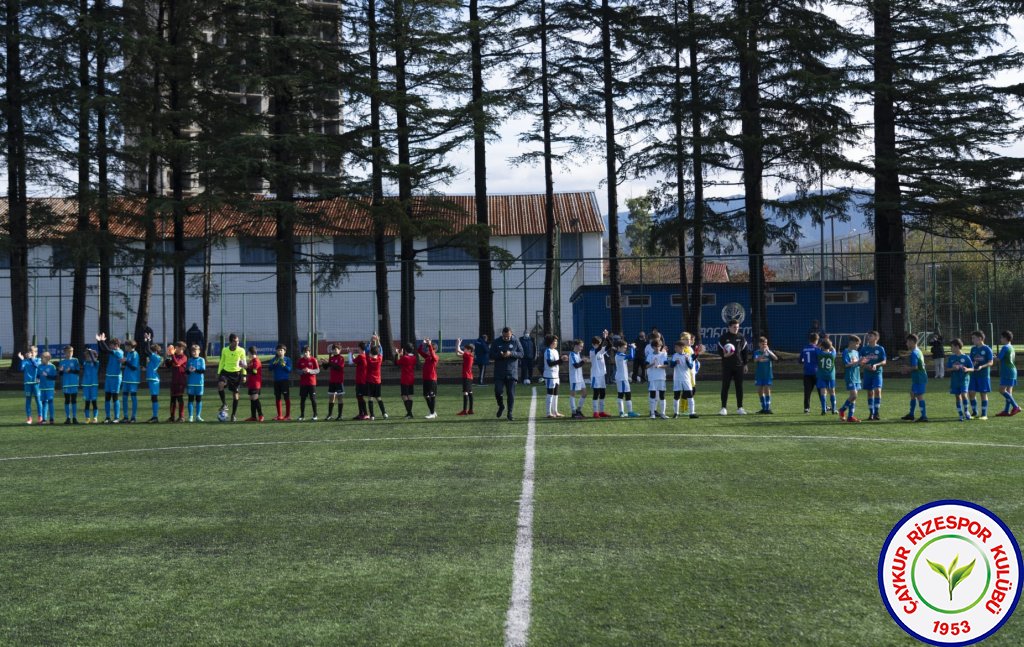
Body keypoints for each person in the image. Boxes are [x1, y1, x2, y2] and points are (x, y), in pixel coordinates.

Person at [490, 327, 524, 421]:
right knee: (498, 391)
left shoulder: (515, 341)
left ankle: (510, 413)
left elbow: (521, 354)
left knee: (511, 394)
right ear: (502, 334)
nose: (506, 338)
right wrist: (500, 355)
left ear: (511, 334)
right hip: (499, 373)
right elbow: (491, 355)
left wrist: (511, 353)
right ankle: (501, 406)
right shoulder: (496, 342)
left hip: (512, 372)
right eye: (504, 337)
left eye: (508, 336)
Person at [718, 319, 749, 416]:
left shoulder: (741, 337)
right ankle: (723, 408)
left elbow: (745, 352)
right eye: (734, 327)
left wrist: (745, 364)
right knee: (725, 387)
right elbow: (719, 350)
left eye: (737, 327)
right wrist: (724, 355)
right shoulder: (723, 338)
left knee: (739, 387)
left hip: (739, 366)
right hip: (727, 366)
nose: (736, 329)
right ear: (729, 327)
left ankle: (740, 407)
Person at [218, 333, 247, 422]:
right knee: (220, 384)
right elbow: (222, 361)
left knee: (236, 396)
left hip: (236, 374)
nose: (237, 343)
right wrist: (219, 373)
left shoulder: (241, 350)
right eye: (235, 341)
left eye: (238, 341)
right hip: (225, 372)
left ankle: (233, 415)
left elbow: (244, 362)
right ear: (230, 342)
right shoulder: (225, 350)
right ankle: (224, 404)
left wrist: (244, 375)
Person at [96, 333, 124, 423]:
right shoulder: (112, 351)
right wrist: (99, 342)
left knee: (115, 397)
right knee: (107, 397)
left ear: (116, 345)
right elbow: (103, 350)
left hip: (116, 377)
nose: (110, 346)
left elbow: (107, 350)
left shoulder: (119, 352)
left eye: (111, 345)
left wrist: (102, 341)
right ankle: (107, 417)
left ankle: (116, 418)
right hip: (109, 377)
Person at [901, 334, 929, 422]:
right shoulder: (918, 351)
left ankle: (924, 416)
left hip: (919, 377)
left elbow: (915, 367)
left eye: (907, 342)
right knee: (912, 394)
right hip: (918, 376)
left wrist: (907, 369)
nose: (906, 344)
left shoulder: (914, 353)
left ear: (912, 342)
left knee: (919, 395)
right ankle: (911, 414)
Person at [860, 330, 887, 421]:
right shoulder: (864, 349)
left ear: (876, 338)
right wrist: (865, 365)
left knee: (877, 391)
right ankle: (871, 413)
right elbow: (861, 361)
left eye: (871, 336)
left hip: (877, 373)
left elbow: (884, 361)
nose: (868, 337)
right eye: (868, 336)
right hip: (867, 374)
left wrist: (876, 365)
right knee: (869, 392)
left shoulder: (880, 349)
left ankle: (876, 412)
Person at [968, 331, 994, 420]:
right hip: (973, 374)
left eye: (973, 338)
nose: (972, 340)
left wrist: (982, 366)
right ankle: (975, 412)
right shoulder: (973, 349)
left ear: (980, 338)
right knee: (971, 393)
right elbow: (970, 361)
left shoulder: (987, 349)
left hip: (983, 375)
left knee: (983, 394)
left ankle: (984, 414)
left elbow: (991, 362)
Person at [947, 339, 974, 421]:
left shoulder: (966, 357)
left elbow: (972, 368)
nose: (951, 349)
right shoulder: (951, 357)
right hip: (955, 380)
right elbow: (947, 369)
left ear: (957, 347)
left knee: (964, 395)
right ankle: (960, 414)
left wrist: (967, 369)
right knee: (957, 397)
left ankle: (966, 411)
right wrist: (953, 368)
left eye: (952, 347)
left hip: (964, 380)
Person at [671, 339, 698, 419]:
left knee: (690, 395)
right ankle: (676, 413)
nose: (675, 349)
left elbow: (690, 366)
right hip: (677, 379)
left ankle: (691, 413)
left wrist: (686, 361)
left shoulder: (687, 355)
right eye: (675, 347)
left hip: (686, 379)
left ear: (682, 348)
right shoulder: (675, 355)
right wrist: (675, 362)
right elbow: (671, 365)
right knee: (676, 396)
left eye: (677, 347)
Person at [838, 336, 862, 423]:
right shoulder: (846, 351)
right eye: (857, 344)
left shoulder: (856, 352)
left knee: (854, 398)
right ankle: (842, 410)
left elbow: (857, 364)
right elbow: (847, 364)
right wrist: (858, 362)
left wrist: (862, 362)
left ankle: (850, 417)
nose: (858, 346)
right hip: (850, 377)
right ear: (851, 343)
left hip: (857, 377)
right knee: (854, 395)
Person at [996, 330, 1020, 416]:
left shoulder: (1005, 347)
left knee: (1001, 390)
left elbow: (998, 359)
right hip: (1013, 371)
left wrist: (990, 357)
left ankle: (1016, 406)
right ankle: (1006, 411)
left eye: (1001, 337)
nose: (1000, 339)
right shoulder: (1011, 347)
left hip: (1007, 371)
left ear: (1005, 338)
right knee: (1008, 392)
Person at [752, 336, 778, 414]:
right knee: (760, 390)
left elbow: (776, 358)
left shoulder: (769, 352)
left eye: (766, 343)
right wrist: (763, 354)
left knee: (767, 389)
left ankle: (768, 408)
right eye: (763, 344)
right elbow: (755, 360)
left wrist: (769, 352)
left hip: (767, 374)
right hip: (759, 374)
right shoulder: (757, 352)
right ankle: (763, 407)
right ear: (759, 344)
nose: (765, 345)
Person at [613, 338, 638, 417]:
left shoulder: (620, 355)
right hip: (622, 378)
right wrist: (632, 348)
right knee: (623, 394)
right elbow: (631, 357)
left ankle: (627, 412)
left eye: (626, 348)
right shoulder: (620, 355)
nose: (625, 349)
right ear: (619, 348)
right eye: (624, 347)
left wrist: (632, 348)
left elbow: (630, 357)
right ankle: (622, 412)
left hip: (623, 377)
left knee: (626, 394)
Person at [589, 331, 611, 418]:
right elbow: (598, 349)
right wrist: (603, 339)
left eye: (598, 344)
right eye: (596, 344)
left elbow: (610, 346)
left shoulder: (601, 350)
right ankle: (595, 412)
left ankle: (601, 412)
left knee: (603, 393)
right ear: (593, 344)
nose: (598, 345)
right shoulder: (592, 351)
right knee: (596, 393)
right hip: (595, 375)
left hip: (601, 375)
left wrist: (607, 337)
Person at [18, 346, 42, 425]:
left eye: (32, 352)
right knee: (28, 401)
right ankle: (29, 418)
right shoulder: (25, 361)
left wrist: (31, 359)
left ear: (36, 353)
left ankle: (40, 417)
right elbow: (20, 369)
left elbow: (36, 366)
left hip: (36, 384)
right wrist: (22, 360)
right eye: (30, 351)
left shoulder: (38, 360)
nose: (31, 353)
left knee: (38, 401)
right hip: (28, 384)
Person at [542, 334, 565, 418]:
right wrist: (560, 360)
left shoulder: (555, 351)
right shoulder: (548, 351)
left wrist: (562, 360)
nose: (556, 342)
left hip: (556, 375)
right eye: (555, 341)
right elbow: (550, 363)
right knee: (550, 394)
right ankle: (548, 413)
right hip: (549, 375)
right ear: (550, 342)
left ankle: (555, 412)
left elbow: (557, 362)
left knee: (556, 394)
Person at [165, 342, 188, 422]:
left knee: (179, 398)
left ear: (182, 349)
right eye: (175, 347)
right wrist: (168, 356)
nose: (175, 349)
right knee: (172, 399)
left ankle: (182, 417)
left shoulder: (184, 357)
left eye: (177, 347)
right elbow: (168, 365)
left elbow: (177, 363)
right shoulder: (174, 356)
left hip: (180, 380)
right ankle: (172, 417)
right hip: (174, 380)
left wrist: (172, 355)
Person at [118, 340, 141, 423]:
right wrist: (124, 362)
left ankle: (133, 417)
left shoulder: (135, 354)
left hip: (133, 380)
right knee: (124, 397)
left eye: (126, 346)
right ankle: (125, 417)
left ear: (131, 346)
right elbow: (128, 364)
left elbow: (134, 367)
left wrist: (125, 362)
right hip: (126, 379)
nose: (125, 347)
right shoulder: (128, 354)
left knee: (133, 397)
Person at [646, 337, 669, 419]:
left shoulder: (664, 354)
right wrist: (652, 364)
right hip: (652, 378)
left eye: (658, 346)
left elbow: (666, 365)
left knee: (662, 396)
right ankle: (652, 413)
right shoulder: (650, 355)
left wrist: (659, 366)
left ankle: (663, 413)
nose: (657, 347)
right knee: (652, 395)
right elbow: (646, 366)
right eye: (655, 346)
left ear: (661, 346)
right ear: (652, 347)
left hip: (661, 378)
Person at [269, 344, 293, 421]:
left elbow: (289, 370)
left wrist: (284, 365)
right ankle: (280, 415)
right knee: (277, 397)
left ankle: (288, 415)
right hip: (276, 381)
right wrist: (274, 364)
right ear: (276, 351)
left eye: (281, 350)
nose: (279, 352)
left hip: (284, 381)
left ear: (284, 351)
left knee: (286, 397)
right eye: (278, 350)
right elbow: (270, 368)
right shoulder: (274, 359)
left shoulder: (288, 359)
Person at [296, 345, 320, 421]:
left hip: (312, 383)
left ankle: (315, 415)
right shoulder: (300, 360)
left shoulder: (313, 360)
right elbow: (297, 370)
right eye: (304, 352)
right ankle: (302, 415)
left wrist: (310, 371)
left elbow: (317, 370)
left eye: (307, 352)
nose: (305, 353)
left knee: (313, 399)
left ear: (309, 352)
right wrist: (302, 371)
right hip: (303, 383)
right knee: (302, 399)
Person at [59, 345, 81, 425]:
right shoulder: (62, 362)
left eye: (71, 352)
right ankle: (68, 418)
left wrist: (70, 370)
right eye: (67, 352)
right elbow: (60, 374)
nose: (69, 353)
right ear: (64, 353)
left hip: (74, 383)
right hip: (66, 383)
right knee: (67, 400)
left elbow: (78, 371)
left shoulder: (75, 360)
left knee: (74, 400)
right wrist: (61, 371)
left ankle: (74, 417)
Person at [419, 338, 440, 419]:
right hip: (426, 379)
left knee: (432, 395)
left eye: (429, 349)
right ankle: (433, 411)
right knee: (425, 395)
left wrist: (430, 345)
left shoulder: (435, 357)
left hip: (432, 379)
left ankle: (432, 413)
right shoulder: (427, 357)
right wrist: (423, 343)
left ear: (433, 350)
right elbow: (419, 351)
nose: (427, 351)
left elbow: (433, 354)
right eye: (427, 349)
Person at [799, 333, 820, 414]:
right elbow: (819, 359)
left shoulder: (804, 349)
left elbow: (800, 361)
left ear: (809, 339)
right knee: (820, 390)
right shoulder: (817, 349)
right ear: (817, 340)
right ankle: (824, 406)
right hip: (816, 372)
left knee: (807, 391)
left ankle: (806, 408)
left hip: (807, 372)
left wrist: (806, 362)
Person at [325, 344, 346, 421]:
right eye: (333, 349)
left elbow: (339, 367)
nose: (334, 350)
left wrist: (331, 363)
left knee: (339, 398)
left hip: (339, 381)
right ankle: (330, 415)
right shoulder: (332, 358)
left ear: (339, 350)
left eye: (336, 349)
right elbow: (326, 367)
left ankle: (340, 415)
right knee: (331, 398)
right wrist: (324, 363)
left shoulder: (341, 358)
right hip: (332, 381)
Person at [365, 345, 387, 420]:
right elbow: (381, 350)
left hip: (370, 381)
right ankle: (384, 413)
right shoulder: (379, 359)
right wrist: (378, 341)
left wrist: (370, 342)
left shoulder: (369, 359)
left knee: (370, 398)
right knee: (378, 398)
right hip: (377, 381)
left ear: (371, 353)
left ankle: (372, 415)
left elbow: (366, 350)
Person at [396, 343, 417, 418]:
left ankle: (409, 413)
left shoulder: (405, 358)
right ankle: (409, 413)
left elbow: (398, 362)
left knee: (404, 395)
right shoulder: (414, 357)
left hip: (405, 379)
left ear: (405, 350)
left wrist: (398, 354)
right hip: (411, 378)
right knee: (410, 395)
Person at [816, 338, 837, 415]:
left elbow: (817, 348)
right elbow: (833, 349)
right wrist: (830, 345)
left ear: (822, 346)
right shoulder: (832, 354)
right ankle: (834, 409)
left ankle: (824, 408)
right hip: (831, 376)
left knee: (823, 392)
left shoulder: (819, 353)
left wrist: (820, 344)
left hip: (821, 375)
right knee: (832, 392)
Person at [567, 339, 587, 419]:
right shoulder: (572, 354)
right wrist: (583, 361)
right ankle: (573, 413)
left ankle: (578, 410)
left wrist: (583, 360)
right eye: (581, 346)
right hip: (574, 377)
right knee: (573, 394)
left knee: (584, 393)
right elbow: (576, 365)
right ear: (576, 346)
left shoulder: (578, 353)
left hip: (580, 377)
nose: (582, 348)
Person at [144, 342, 163, 423]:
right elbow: (146, 350)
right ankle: (154, 416)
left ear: (155, 352)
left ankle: (155, 417)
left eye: (152, 351)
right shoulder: (154, 357)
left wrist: (148, 341)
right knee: (153, 398)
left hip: (154, 380)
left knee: (154, 398)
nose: (150, 353)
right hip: (152, 379)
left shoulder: (156, 357)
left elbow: (147, 350)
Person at [186, 344, 206, 422]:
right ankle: (191, 416)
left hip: (199, 383)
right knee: (190, 400)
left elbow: (203, 371)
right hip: (191, 383)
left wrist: (195, 370)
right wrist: (189, 370)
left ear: (199, 351)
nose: (194, 352)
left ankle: (198, 416)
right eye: (192, 351)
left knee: (199, 400)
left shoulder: (202, 360)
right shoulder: (189, 360)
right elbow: (187, 372)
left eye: (195, 351)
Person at [245, 346, 265, 422]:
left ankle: (261, 415)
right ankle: (253, 416)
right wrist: (244, 367)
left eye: (248, 352)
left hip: (256, 383)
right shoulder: (251, 361)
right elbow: (249, 371)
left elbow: (254, 372)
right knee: (252, 399)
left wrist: (245, 367)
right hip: (251, 383)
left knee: (255, 399)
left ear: (251, 352)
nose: (247, 354)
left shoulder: (256, 361)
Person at [456, 339, 475, 416]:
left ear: (469, 350)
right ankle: (470, 410)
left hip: (466, 377)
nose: (464, 350)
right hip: (470, 377)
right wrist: (457, 349)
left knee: (465, 392)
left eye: (465, 349)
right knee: (470, 392)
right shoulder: (469, 356)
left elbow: (458, 350)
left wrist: (458, 343)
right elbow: (457, 354)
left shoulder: (468, 355)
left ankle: (464, 410)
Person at [38, 352, 57, 424]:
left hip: (50, 388)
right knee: (44, 403)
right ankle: (44, 419)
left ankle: (51, 418)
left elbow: (54, 377)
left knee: (50, 402)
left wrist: (47, 375)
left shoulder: (52, 367)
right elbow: (38, 375)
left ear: (47, 359)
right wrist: (37, 378)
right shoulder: (40, 366)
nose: (41, 359)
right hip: (42, 388)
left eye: (42, 358)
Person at [351, 343, 370, 420]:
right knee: (359, 397)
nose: (357, 349)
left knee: (360, 397)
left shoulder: (361, 357)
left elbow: (352, 361)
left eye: (358, 348)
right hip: (363, 380)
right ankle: (361, 413)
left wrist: (351, 353)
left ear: (361, 349)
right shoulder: (366, 356)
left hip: (361, 381)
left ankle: (365, 414)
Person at [82, 348, 100, 424]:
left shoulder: (96, 363)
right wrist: (87, 351)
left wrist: (90, 352)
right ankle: (87, 418)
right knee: (87, 402)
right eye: (87, 356)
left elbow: (94, 360)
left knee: (94, 402)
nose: (88, 357)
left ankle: (95, 418)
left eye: (89, 356)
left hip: (94, 385)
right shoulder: (85, 363)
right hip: (86, 385)